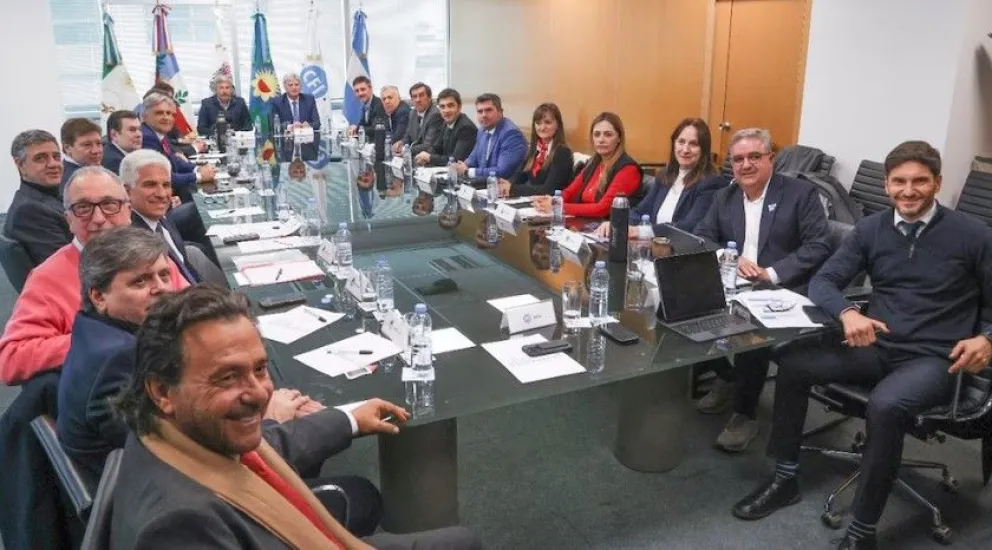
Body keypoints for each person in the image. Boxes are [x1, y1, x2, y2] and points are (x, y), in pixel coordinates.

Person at [732, 141, 992, 550]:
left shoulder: (973, 235)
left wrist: (986, 338)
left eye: (920, 181)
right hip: (878, 344)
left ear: (938, 183)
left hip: (933, 359)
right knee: (793, 362)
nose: (909, 191)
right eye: (899, 182)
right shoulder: (871, 230)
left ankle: (862, 532)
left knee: (885, 406)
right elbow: (823, 281)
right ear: (887, 186)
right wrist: (847, 313)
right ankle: (784, 477)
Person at [109, 286, 483, 549]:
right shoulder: (179, 527)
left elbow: (271, 443)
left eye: (259, 369)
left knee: (460, 541)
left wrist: (349, 417)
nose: (258, 393)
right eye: (227, 377)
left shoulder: (169, 434)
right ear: (161, 390)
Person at [56, 228, 323, 483]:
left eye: (163, 275)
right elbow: (183, 452)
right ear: (99, 296)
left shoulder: (94, 330)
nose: (161, 288)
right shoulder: (118, 357)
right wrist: (270, 416)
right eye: (141, 281)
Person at [693, 128, 831, 452]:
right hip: (735, 282)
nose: (746, 165)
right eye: (738, 159)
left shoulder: (800, 194)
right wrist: (731, 258)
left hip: (784, 289)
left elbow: (819, 244)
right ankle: (728, 377)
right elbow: (703, 236)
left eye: (755, 156)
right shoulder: (725, 196)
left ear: (771, 158)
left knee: (751, 330)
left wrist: (770, 273)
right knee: (680, 306)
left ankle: (745, 413)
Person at [0, 167, 190, 386]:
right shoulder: (47, 278)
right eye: (83, 208)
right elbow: (12, 357)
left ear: (128, 211)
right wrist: (101, 340)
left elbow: (191, 308)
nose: (99, 219)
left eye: (110, 204)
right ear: (68, 219)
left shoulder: (153, 258)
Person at [593, 117, 723, 238]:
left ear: (704, 150)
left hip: (681, 255)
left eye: (693, 144)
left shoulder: (710, 183)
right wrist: (617, 224)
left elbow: (687, 227)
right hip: (653, 249)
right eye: (681, 142)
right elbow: (640, 211)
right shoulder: (665, 175)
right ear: (674, 144)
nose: (685, 149)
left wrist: (639, 231)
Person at [533, 112, 642, 219]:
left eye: (608, 134)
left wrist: (558, 207)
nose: (601, 140)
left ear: (619, 138)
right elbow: (570, 192)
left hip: (607, 229)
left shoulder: (628, 169)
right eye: (597, 134)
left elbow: (602, 209)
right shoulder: (595, 162)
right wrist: (552, 200)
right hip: (585, 224)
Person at [120, 150, 198, 283]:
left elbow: (186, 268)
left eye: (166, 185)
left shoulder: (160, 218)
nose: (161, 194)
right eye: (150, 185)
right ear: (127, 191)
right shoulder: (131, 240)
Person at [4, 130, 70, 265]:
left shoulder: (52, 195)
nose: (53, 164)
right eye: (40, 158)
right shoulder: (29, 210)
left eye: (56, 157)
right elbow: (64, 265)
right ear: (21, 165)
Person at [140, 91, 216, 203]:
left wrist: (197, 168)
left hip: (173, 195)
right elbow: (164, 177)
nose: (166, 117)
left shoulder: (158, 133)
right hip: (163, 200)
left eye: (169, 113)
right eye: (159, 113)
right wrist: (198, 176)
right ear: (145, 116)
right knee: (202, 205)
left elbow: (174, 161)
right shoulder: (147, 137)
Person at [500, 102, 573, 198]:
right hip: (533, 202)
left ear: (558, 125)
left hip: (552, 206)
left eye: (548, 122)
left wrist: (513, 188)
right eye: (538, 123)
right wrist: (506, 184)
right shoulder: (535, 149)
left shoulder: (562, 152)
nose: (542, 128)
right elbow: (518, 177)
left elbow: (548, 190)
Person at [453, 93, 526, 187]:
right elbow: (474, 157)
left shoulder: (511, 134)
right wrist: (463, 166)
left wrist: (468, 171)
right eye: (480, 111)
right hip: (484, 186)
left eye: (488, 110)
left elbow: (502, 171)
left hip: (504, 190)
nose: (484, 115)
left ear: (500, 113)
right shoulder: (482, 130)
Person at [415, 88, 477, 168]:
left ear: (459, 107)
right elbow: (436, 147)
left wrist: (430, 158)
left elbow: (455, 160)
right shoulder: (445, 123)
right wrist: (423, 156)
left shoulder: (466, 128)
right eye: (442, 107)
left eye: (450, 106)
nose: (446, 110)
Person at [392, 82, 442, 157]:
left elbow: (428, 145)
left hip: (430, 159)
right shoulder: (413, 113)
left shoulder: (435, 115)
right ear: (412, 100)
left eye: (421, 95)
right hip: (415, 158)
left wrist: (404, 150)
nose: (418, 99)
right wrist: (401, 143)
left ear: (429, 97)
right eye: (414, 96)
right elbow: (408, 136)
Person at [59, 118, 104, 195]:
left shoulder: (88, 170)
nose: (96, 151)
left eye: (99, 143)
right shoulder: (76, 180)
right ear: (67, 148)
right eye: (87, 145)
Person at [102, 110, 143, 174]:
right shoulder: (115, 162)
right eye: (132, 130)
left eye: (140, 129)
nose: (139, 134)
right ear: (114, 135)